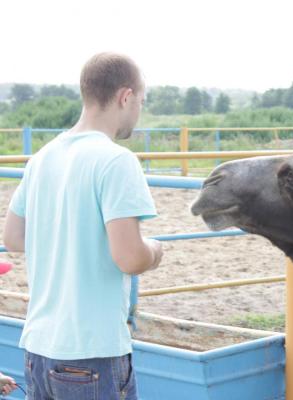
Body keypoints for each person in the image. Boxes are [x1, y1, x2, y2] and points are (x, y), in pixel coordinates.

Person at [2, 52, 163, 400]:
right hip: (93, 353)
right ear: (126, 96)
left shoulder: (42, 157)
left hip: (39, 350)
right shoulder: (116, 160)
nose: (139, 110)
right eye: (142, 101)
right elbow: (130, 258)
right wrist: (155, 251)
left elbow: (13, 237)